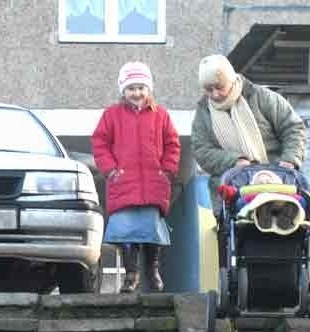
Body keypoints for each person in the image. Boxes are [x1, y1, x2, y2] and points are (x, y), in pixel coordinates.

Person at [91, 61, 181, 293]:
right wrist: (111, 170)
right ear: (123, 90)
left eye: (141, 87)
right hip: (124, 185)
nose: (137, 93)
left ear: (149, 89)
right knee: (126, 234)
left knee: (151, 234)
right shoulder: (111, 115)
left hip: (153, 185)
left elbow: (173, 144)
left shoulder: (161, 115)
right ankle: (131, 275)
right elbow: (100, 143)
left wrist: (167, 170)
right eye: (132, 88)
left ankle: (152, 271)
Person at [191, 54, 306, 213]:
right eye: (209, 89)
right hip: (233, 189)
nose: (215, 94)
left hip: (278, 180)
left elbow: (292, 127)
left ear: (231, 80)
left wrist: (289, 159)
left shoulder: (262, 97)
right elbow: (201, 150)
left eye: (219, 87)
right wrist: (234, 160)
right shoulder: (203, 113)